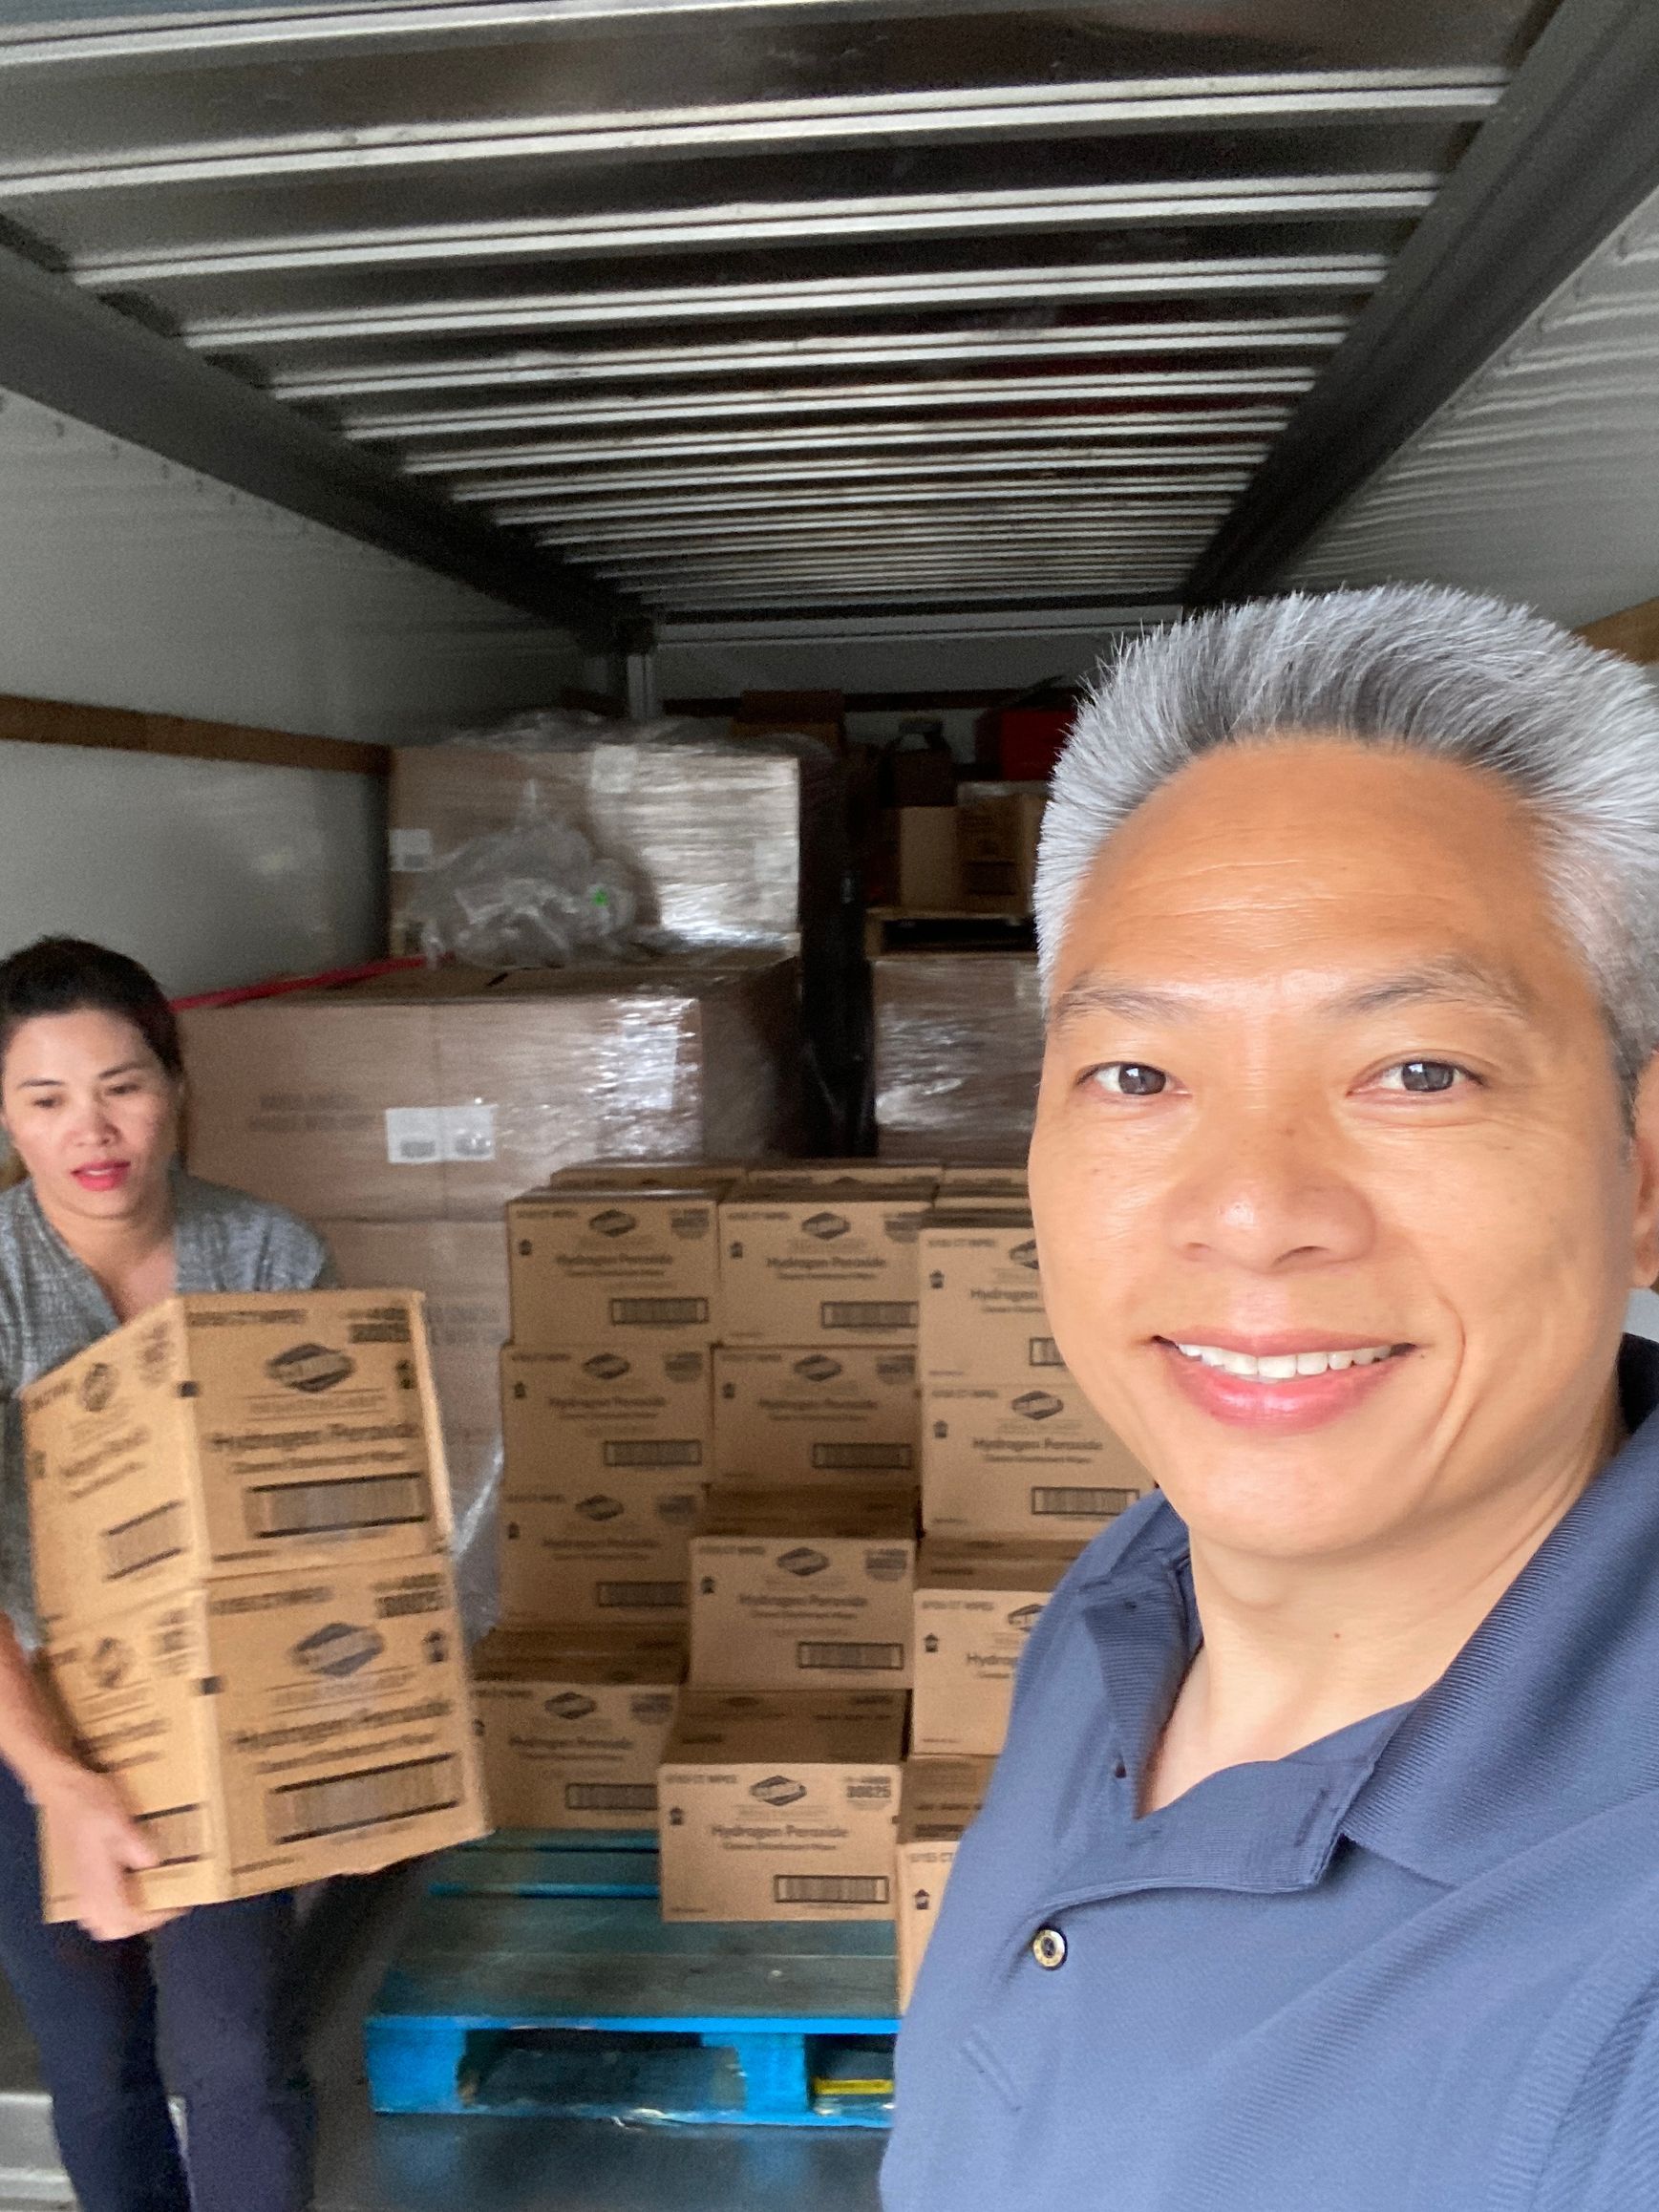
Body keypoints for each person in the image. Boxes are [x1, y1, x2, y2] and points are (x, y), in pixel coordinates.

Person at [885, 585, 1659, 2211]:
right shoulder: (1123, 1604)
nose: (1250, 1209)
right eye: (1137, 1076)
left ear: (1641, 1169)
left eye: (1417, 1072)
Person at [0, 936, 331, 2212]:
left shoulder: (264, 1258)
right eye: (46, 1098)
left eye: (123, 1085)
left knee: (238, 2055)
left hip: (219, 1717)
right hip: (25, 1715)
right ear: (7, 1117)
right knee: (96, 2063)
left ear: (175, 1086)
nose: (95, 1129)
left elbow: (321, 1524)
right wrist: (57, 1777)